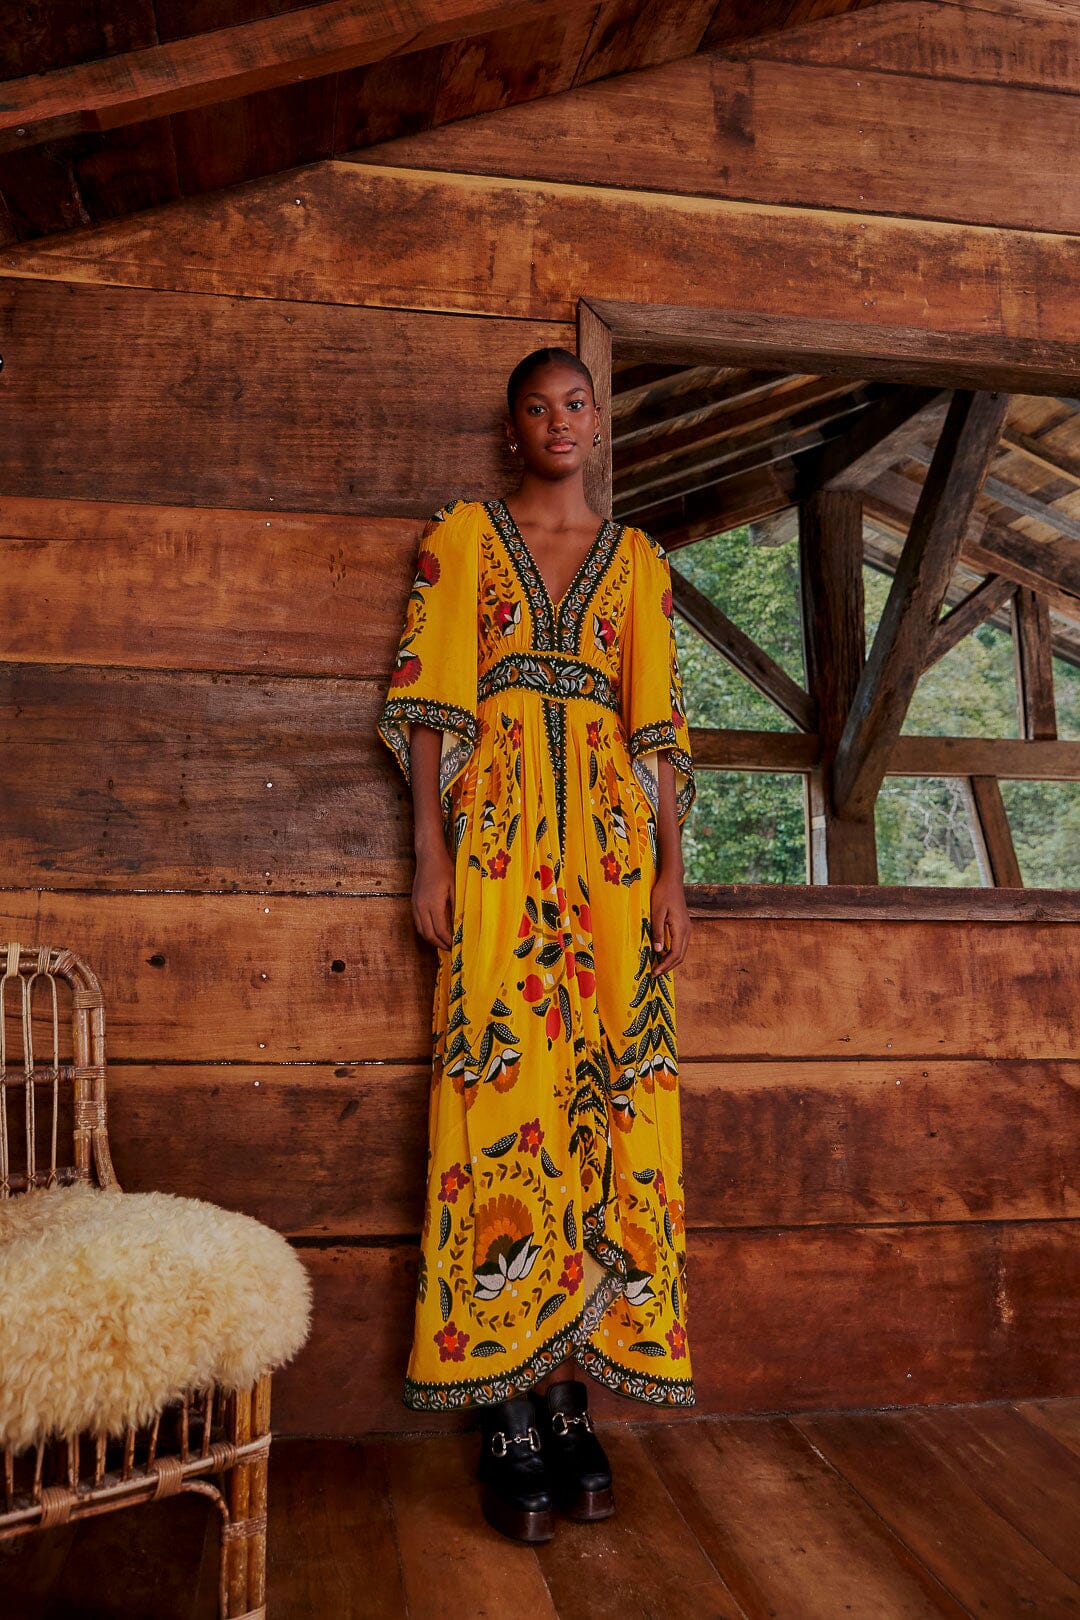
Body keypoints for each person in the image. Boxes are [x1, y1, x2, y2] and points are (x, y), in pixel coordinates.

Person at [376, 347, 696, 1543]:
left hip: (613, 862)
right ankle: (503, 1402)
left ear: (597, 422)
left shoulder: (641, 562)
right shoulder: (463, 538)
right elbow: (429, 706)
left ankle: (570, 1398)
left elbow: (658, 728)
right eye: (535, 407)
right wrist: (429, 853)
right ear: (512, 427)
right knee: (497, 1088)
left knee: (614, 1090)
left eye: (575, 404)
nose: (558, 422)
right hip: (501, 851)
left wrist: (671, 872)